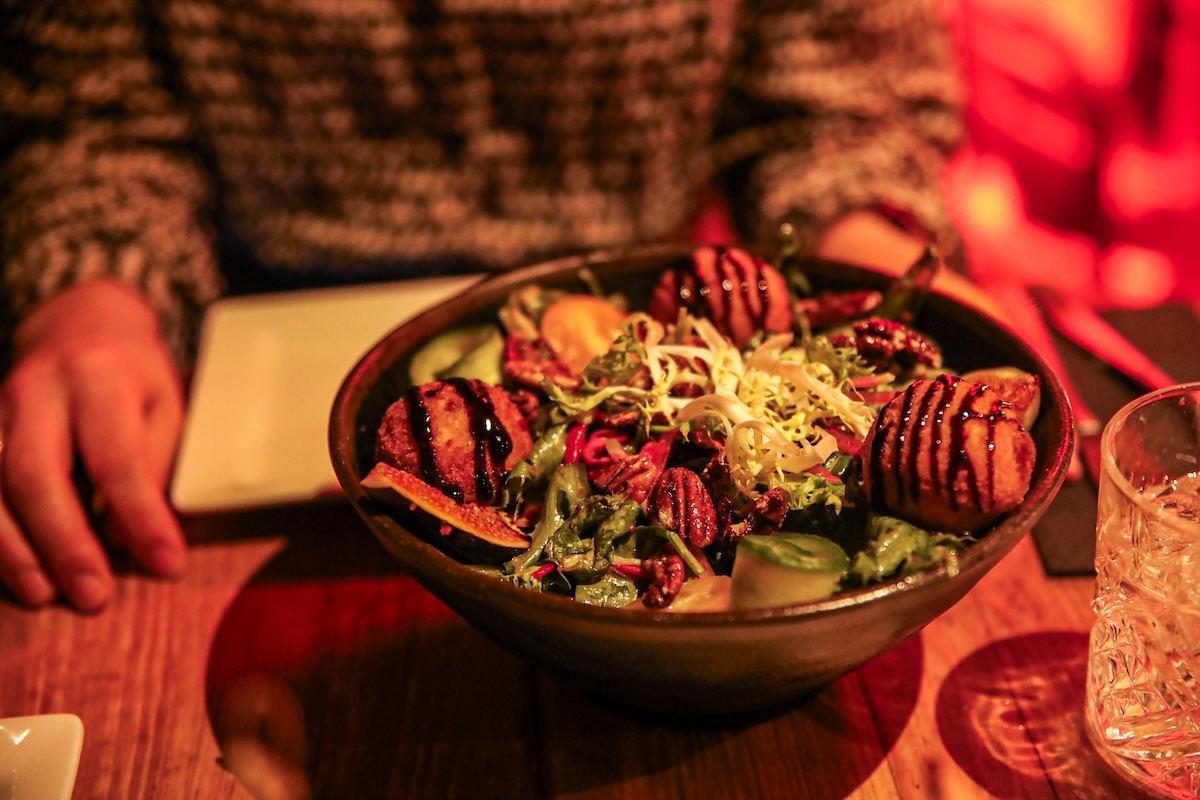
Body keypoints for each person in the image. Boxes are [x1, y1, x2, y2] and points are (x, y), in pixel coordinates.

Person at [0, 0, 963, 611]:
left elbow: (833, 98)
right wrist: (94, 288)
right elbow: (87, 114)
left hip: (642, 316)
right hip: (225, 382)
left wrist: (878, 257)